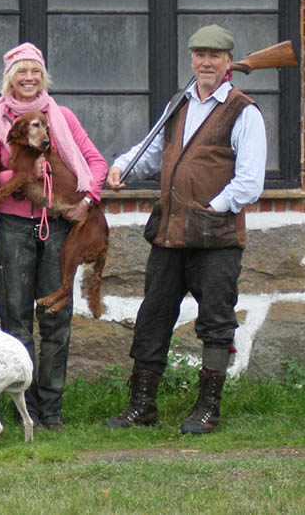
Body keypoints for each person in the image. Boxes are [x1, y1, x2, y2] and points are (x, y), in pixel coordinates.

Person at [105, 24, 265, 434]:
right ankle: (142, 406)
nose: (205, 62)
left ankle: (208, 409)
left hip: (218, 239)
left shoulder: (244, 110)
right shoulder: (179, 103)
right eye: (199, 55)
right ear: (191, 59)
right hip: (169, 234)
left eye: (214, 56)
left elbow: (250, 182)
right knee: (153, 317)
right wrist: (122, 165)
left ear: (229, 62)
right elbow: (152, 151)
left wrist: (211, 208)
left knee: (215, 322)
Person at [0, 43, 107, 430]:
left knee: (56, 317)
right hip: (13, 228)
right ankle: (24, 411)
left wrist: (88, 199)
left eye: (35, 71)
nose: (29, 78)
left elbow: (96, 162)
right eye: (22, 72)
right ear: (10, 78)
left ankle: (50, 410)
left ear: (43, 76)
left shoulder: (62, 118)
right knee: (16, 320)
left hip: (58, 229)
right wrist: (21, 174)